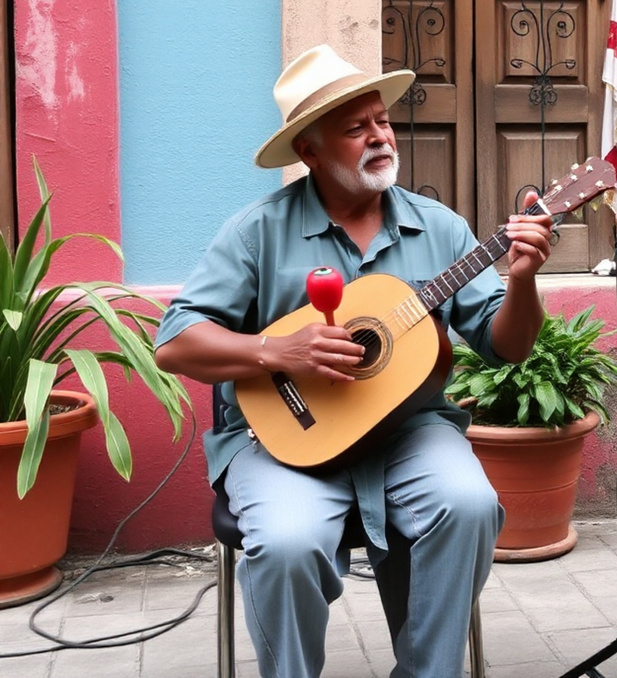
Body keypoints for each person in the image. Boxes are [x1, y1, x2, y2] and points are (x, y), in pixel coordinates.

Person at [154, 44, 553, 678]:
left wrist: (525, 278)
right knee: (285, 544)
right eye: (355, 127)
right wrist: (275, 350)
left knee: (470, 504)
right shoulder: (257, 231)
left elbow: (507, 345)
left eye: (383, 121)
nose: (379, 137)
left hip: (408, 433)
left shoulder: (441, 229)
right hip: (281, 439)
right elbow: (174, 342)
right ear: (308, 151)